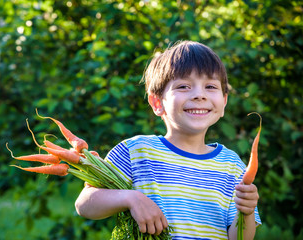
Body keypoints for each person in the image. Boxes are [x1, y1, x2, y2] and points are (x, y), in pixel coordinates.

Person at [75, 40, 261, 239]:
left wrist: (246, 212)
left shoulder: (232, 166)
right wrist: (131, 198)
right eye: (183, 86)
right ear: (157, 102)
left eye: (210, 86)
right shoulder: (136, 152)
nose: (199, 95)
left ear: (224, 102)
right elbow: (85, 205)